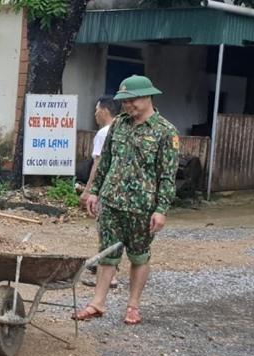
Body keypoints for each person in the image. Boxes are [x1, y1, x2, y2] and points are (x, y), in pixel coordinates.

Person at [76, 76, 179, 326]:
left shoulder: (165, 131)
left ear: (147, 97)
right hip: (111, 202)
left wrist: (161, 209)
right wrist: (94, 191)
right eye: (124, 101)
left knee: (139, 256)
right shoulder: (119, 125)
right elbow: (105, 161)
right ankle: (97, 303)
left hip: (142, 208)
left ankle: (133, 306)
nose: (127, 106)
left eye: (132, 100)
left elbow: (167, 176)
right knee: (107, 253)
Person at [80, 96, 119, 289]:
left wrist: (88, 190)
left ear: (104, 110)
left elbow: (98, 164)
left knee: (106, 231)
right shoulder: (121, 130)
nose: (95, 114)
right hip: (119, 190)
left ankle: (109, 277)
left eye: (96, 110)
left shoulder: (104, 133)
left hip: (105, 189)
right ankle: (105, 269)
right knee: (113, 231)